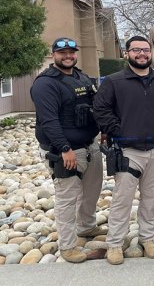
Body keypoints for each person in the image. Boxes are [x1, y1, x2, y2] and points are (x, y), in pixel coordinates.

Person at [93, 35, 154, 265]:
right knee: (122, 199)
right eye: (136, 50)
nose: (141, 54)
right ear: (127, 53)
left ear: (151, 53)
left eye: (145, 50)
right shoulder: (113, 82)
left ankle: (147, 237)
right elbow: (101, 110)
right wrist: (117, 130)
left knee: (151, 199)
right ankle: (114, 243)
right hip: (127, 150)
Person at [30, 38, 104, 263]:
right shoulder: (45, 84)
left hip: (90, 144)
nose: (68, 56)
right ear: (53, 55)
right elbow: (49, 120)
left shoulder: (81, 77)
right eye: (62, 52)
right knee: (67, 197)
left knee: (91, 190)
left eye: (71, 52)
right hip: (65, 151)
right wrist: (64, 148)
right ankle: (68, 246)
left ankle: (86, 226)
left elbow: (95, 107)